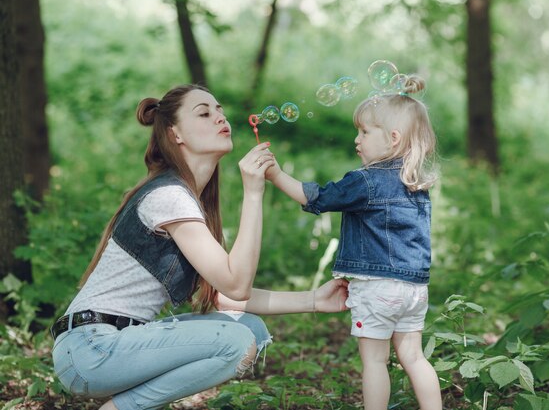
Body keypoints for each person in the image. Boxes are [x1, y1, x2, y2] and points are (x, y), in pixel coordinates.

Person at [50, 84, 349, 410]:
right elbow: (237, 282)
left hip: (114, 343)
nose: (220, 118)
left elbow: (226, 295)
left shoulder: (188, 202)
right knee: (237, 341)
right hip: (92, 348)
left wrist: (314, 300)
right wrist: (253, 194)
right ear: (175, 133)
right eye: (205, 113)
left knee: (250, 329)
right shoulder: (169, 196)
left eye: (219, 110)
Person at [266, 75, 443, 410]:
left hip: (378, 290)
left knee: (375, 362)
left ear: (393, 139)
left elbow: (317, 198)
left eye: (364, 132)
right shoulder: (416, 184)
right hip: (415, 290)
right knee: (415, 358)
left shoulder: (365, 181)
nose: (356, 139)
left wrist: (276, 175)